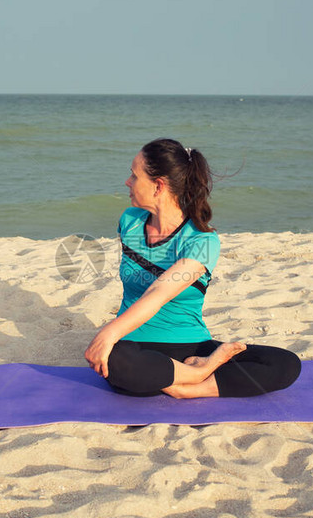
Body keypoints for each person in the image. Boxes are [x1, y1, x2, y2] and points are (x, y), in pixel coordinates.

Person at [84, 138, 301, 398]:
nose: (127, 182)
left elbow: (158, 293)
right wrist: (114, 339)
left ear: (158, 186)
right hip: (135, 345)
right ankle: (189, 377)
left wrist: (108, 333)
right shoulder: (129, 222)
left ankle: (196, 383)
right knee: (118, 361)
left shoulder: (202, 240)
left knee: (285, 364)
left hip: (191, 345)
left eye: (134, 175)